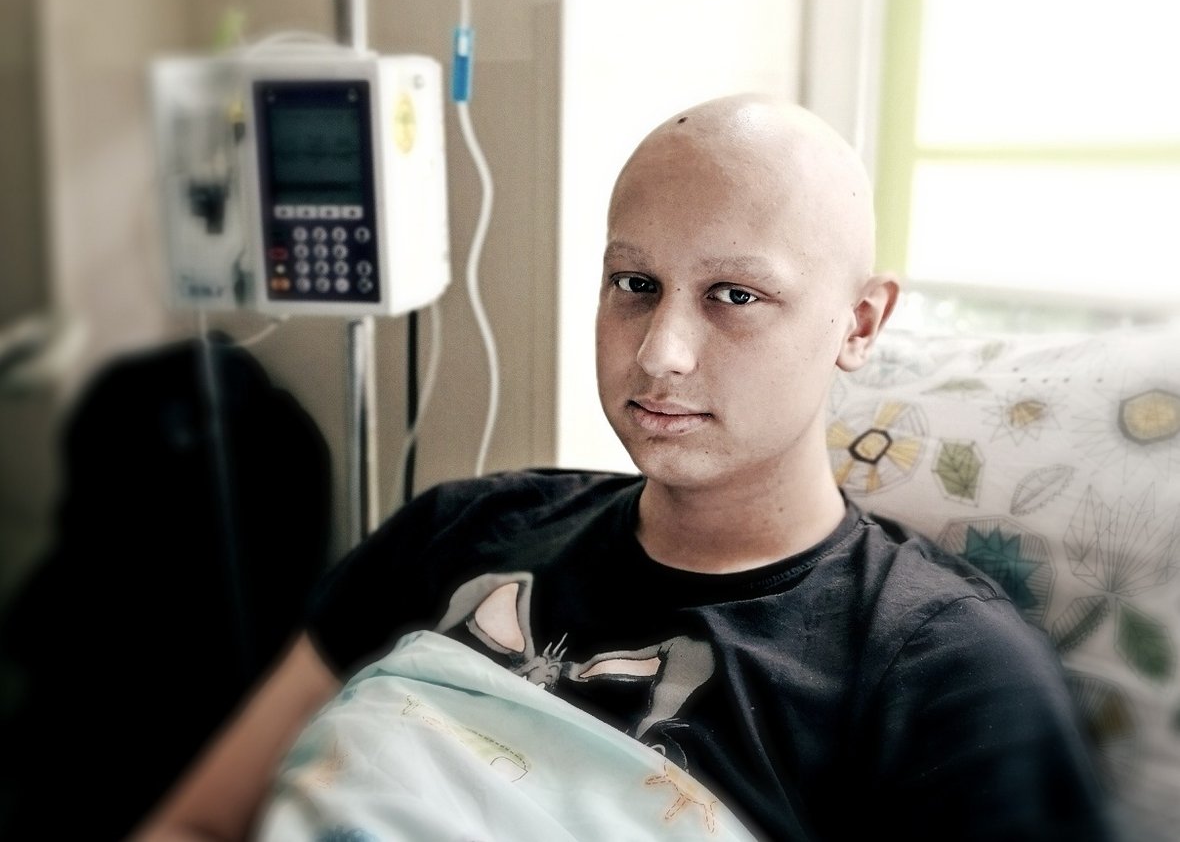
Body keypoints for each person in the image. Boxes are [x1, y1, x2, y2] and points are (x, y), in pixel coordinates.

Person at [132, 93, 1114, 841]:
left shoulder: (947, 682)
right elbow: (202, 822)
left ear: (859, 323)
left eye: (734, 294)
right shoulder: (455, 532)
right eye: (634, 283)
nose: (659, 353)